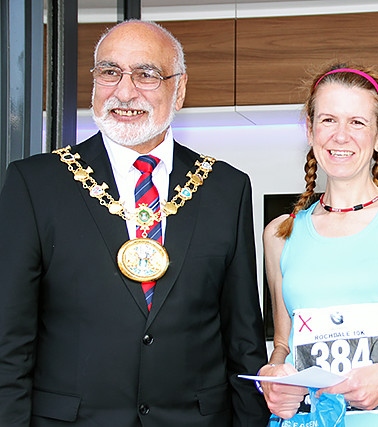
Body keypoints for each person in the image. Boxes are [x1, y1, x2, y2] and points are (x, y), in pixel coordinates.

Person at [0, 20, 270, 426]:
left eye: (146, 75)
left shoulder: (225, 188)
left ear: (178, 90)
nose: (124, 92)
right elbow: (9, 342)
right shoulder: (36, 183)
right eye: (110, 72)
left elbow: (243, 339)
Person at [258, 63, 378, 426]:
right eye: (328, 120)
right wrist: (274, 376)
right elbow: (283, 346)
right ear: (310, 129)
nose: (340, 136)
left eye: (357, 122)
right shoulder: (279, 235)